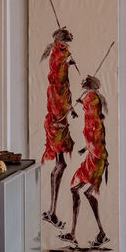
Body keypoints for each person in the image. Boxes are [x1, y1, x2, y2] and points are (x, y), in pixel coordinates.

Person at [40, 26, 78, 230]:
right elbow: (58, 87)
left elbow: (63, 86)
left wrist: (69, 110)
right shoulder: (57, 61)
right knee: (60, 165)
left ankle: (52, 211)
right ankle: (52, 211)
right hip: (57, 123)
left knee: (60, 164)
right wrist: (63, 114)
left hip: (58, 120)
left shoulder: (59, 69)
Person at [66, 74, 110, 248]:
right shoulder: (93, 99)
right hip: (94, 155)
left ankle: (97, 232)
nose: (82, 81)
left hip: (97, 157)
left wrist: (74, 106)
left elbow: (93, 124)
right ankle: (76, 233)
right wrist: (87, 147)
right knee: (77, 191)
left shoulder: (92, 98)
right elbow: (93, 128)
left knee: (84, 192)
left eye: (84, 81)